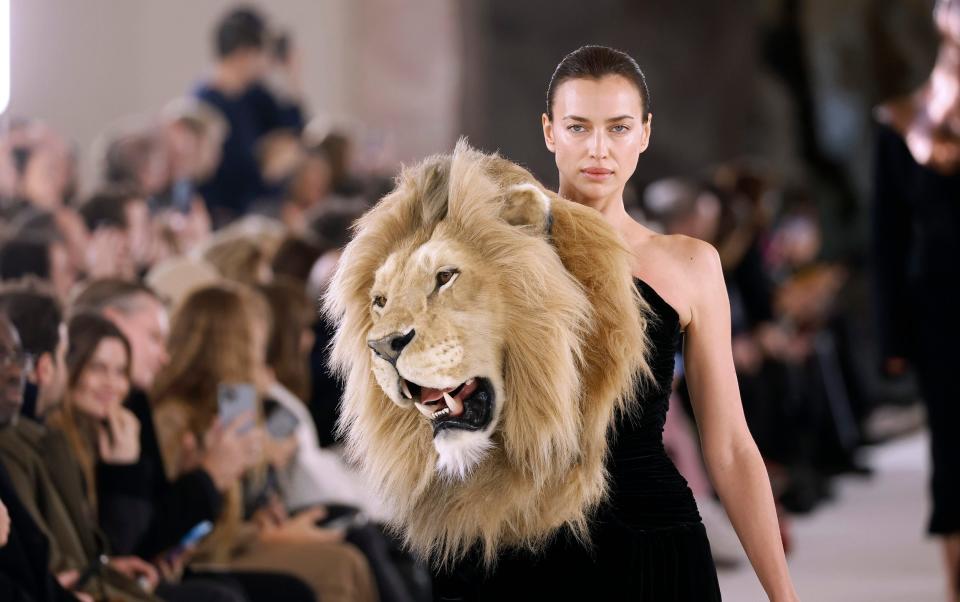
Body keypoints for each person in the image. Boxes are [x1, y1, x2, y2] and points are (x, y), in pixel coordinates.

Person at [436, 45, 798, 601]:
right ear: (550, 131)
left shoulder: (691, 264)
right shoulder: (497, 253)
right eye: (578, 127)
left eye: (619, 127)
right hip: (523, 533)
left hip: (651, 535)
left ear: (645, 133)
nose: (599, 149)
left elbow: (729, 445)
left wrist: (783, 594)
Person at [151, 283, 377, 602]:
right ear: (228, 350)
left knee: (353, 554)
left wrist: (262, 520)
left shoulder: (239, 404)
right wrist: (264, 532)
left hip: (239, 542)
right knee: (339, 565)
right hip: (209, 557)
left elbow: (249, 500)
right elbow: (189, 533)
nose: (260, 362)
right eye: (252, 348)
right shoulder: (176, 418)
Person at [873, 1, 960, 599]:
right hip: (943, 313)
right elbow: (888, 239)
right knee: (954, 449)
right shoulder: (901, 122)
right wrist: (894, 336)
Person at [193, 6, 305, 224]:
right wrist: (265, 169)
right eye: (263, 51)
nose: (267, 60)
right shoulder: (204, 105)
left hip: (259, 213)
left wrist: (293, 78)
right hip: (223, 221)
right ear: (244, 54)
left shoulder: (254, 95)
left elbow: (295, 133)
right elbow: (220, 177)